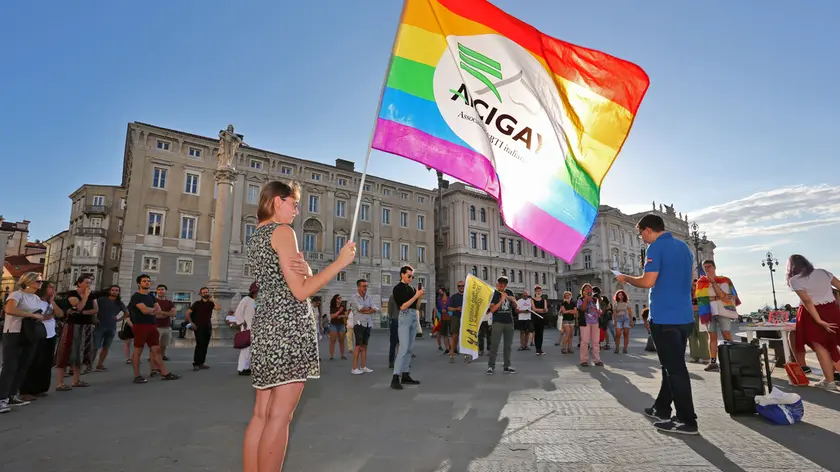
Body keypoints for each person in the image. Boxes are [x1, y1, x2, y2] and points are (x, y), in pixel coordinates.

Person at [242, 180, 355, 472]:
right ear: (277, 201)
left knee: (260, 414)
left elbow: (287, 279)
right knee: (280, 416)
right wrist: (339, 263)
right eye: (293, 203)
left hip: (266, 323)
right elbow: (301, 291)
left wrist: (305, 271)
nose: (296, 210)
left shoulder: (257, 235)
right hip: (289, 327)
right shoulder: (282, 231)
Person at [617, 213, 697, 435]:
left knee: (675, 370)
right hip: (684, 317)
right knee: (669, 367)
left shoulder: (655, 248)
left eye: (641, 233)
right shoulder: (684, 248)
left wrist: (626, 278)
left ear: (648, 229)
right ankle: (661, 408)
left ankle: (686, 420)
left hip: (665, 317)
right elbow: (690, 280)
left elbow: (648, 281)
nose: (641, 238)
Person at [787, 254, 840, 390]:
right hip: (831, 309)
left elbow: (807, 301)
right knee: (831, 344)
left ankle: (830, 381)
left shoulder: (795, 280)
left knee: (820, 346)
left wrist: (819, 320)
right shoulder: (823, 272)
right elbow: (839, 285)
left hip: (811, 314)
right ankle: (829, 380)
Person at [0, 272, 46, 412]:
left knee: (24, 365)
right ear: (28, 281)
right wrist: (31, 315)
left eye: (41, 281)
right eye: (38, 281)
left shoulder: (36, 298)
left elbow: (41, 313)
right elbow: (9, 309)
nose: (41, 283)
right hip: (14, 332)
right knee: (10, 366)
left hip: (30, 334)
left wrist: (39, 317)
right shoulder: (17, 295)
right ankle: (1, 398)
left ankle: (13, 394)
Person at [128, 274, 180, 384]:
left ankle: (164, 373)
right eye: (144, 281)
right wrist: (153, 310)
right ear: (139, 283)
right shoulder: (136, 296)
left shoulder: (151, 296)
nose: (147, 282)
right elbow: (145, 310)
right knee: (138, 351)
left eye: (148, 281)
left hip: (152, 326)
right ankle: (137, 375)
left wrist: (151, 310)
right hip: (140, 326)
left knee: (157, 350)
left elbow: (158, 310)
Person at [20, 280, 64, 400]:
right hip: (38, 334)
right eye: (50, 287)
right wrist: (47, 316)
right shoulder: (36, 301)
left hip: (51, 334)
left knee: (46, 363)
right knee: (34, 362)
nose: (53, 290)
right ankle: (26, 390)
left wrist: (52, 302)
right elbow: (32, 317)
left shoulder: (50, 302)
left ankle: (41, 388)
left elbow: (60, 314)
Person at [54, 275, 98, 389]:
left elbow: (95, 309)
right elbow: (78, 307)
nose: (89, 285)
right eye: (87, 282)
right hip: (72, 325)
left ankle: (76, 380)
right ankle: (60, 382)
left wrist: (83, 312)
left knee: (81, 352)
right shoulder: (72, 294)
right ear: (79, 283)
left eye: (90, 282)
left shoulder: (92, 295)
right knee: (66, 351)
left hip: (86, 325)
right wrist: (85, 297)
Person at [695, 260, 739, 372]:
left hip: (723, 310)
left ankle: (732, 359)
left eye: (709, 266)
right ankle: (713, 362)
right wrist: (717, 297)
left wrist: (713, 283)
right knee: (712, 336)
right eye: (705, 267)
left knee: (727, 334)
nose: (707, 269)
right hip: (708, 311)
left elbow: (724, 296)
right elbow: (700, 298)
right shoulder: (701, 281)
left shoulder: (724, 280)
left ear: (714, 267)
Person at [391, 266, 423, 390]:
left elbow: (417, 306)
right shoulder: (397, 288)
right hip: (404, 316)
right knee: (403, 348)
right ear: (402, 275)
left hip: (413, 315)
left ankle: (405, 374)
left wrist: (419, 297)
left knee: (410, 348)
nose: (411, 278)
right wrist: (416, 296)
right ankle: (395, 377)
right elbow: (403, 306)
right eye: (409, 276)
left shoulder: (412, 288)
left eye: (412, 277)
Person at [486, 276, 516, 375]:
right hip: (497, 322)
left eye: (504, 284)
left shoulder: (510, 292)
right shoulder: (494, 294)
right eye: (500, 284)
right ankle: (491, 366)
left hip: (509, 322)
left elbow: (516, 307)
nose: (502, 286)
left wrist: (513, 300)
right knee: (494, 344)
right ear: (497, 284)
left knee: (508, 346)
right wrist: (501, 300)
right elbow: (492, 310)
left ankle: (507, 366)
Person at [186, 287, 220, 371]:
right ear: (200, 294)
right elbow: (188, 313)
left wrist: (212, 299)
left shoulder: (210, 303)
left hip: (207, 326)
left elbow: (218, 308)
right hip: (198, 326)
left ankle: (202, 363)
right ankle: (196, 363)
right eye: (203, 292)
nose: (205, 294)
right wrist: (191, 323)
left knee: (205, 345)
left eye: (206, 292)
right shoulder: (197, 303)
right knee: (199, 344)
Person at [93, 285, 127, 372]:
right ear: (110, 291)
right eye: (113, 290)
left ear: (119, 292)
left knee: (106, 347)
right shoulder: (102, 300)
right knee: (95, 347)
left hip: (111, 327)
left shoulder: (119, 303)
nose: (114, 292)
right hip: (100, 326)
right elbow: (94, 308)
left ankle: (100, 365)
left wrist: (118, 319)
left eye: (116, 290)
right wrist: (94, 318)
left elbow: (127, 313)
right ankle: (89, 365)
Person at [349, 279, 378, 375]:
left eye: (366, 286)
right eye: (363, 286)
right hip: (359, 323)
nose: (365, 288)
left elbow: (375, 308)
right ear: (358, 287)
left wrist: (368, 310)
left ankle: (363, 366)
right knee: (358, 346)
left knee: (365, 346)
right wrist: (369, 309)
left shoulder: (369, 297)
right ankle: (354, 368)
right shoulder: (354, 298)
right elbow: (360, 309)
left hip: (368, 323)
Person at [234, 282, 258, 376]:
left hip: (255, 327)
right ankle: (242, 368)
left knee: (251, 349)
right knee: (245, 349)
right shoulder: (246, 299)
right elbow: (238, 311)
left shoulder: (256, 301)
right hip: (247, 327)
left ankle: (247, 367)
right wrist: (241, 322)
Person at [577, 284, 603, 367]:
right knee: (585, 341)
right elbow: (583, 309)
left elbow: (599, 309)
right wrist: (586, 300)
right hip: (585, 322)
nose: (588, 290)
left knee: (596, 342)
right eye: (586, 289)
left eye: (590, 289)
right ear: (583, 291)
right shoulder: (580, 299)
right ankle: (584, 360)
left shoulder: (595, 300)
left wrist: (599, 311)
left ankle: (597, 359)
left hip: (595, 322)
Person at [153, 284, 177, 366]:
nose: (160, 291)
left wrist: (162, 312)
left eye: (162, 289)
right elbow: (155, 315)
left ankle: (162, 356)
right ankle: (153, 357)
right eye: (159, 289)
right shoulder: (154, 301)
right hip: (156, 327)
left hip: (167, 327)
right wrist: (167, 313)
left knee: (164, 344)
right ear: (157, 291)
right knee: (155, 345)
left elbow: (174, 314)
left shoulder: (169, 302)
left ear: (165, 291)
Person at [687, 280, 710, 363]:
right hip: (689, 314)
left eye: (696, 284)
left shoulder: (702, 293)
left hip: (701, 314)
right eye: (693, 284)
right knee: (691, 336)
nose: (694, 286)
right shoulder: (687, 293)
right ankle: (694, 356)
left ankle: (705, 356)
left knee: (703, 335)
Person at [447, 281, 465, 362]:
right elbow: (449, 308)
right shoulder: (454, 297)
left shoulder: (468, 296)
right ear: (457, 287)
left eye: (462, 286)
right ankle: (452, 355)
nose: (461, 287)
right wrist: (457, 309)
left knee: (465, 337)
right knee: (454, 336)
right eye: (459, 286)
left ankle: (467, 355)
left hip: (465, 318)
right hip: (456, 317)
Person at [327, 294, 347, 360]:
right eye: (338, 298)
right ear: (335, 299)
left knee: (341, 340)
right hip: (333, 324)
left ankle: (342, 355)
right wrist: (339, 311)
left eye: (340, 298)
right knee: (333, 340)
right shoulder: (333, 307)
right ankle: (331, 355)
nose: (340, 299)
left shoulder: (343, 306)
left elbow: (346, 315)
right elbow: (332, 316)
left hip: (341, 324)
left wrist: (341, 316)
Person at [613, 290, 633, 354]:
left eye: (621, 295)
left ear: (624, 296)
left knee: (626, 333)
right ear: (617, 296)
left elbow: (630, 312)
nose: (620, 296)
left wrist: (631, 321)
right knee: (618, 334)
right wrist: (615, 321)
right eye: (619, 295)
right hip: (618, 319)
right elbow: (614, 313)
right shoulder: (615, 303)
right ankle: (617, 348)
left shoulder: (627, 303)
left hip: (626, 318)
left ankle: (625, 349)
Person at [531, 286, 548, 355]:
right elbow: (534, 309)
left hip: (542, 318)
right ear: (535, 292)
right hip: (535, 318)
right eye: (537, 291)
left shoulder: (544, 300)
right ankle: (537, 349)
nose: (538, 292)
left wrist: (542, 310)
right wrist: (542, 310)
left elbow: (546, 309)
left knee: (541, 334)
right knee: (536, 333)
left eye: (540, 291)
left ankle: (540, 349)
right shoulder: (532, 300)